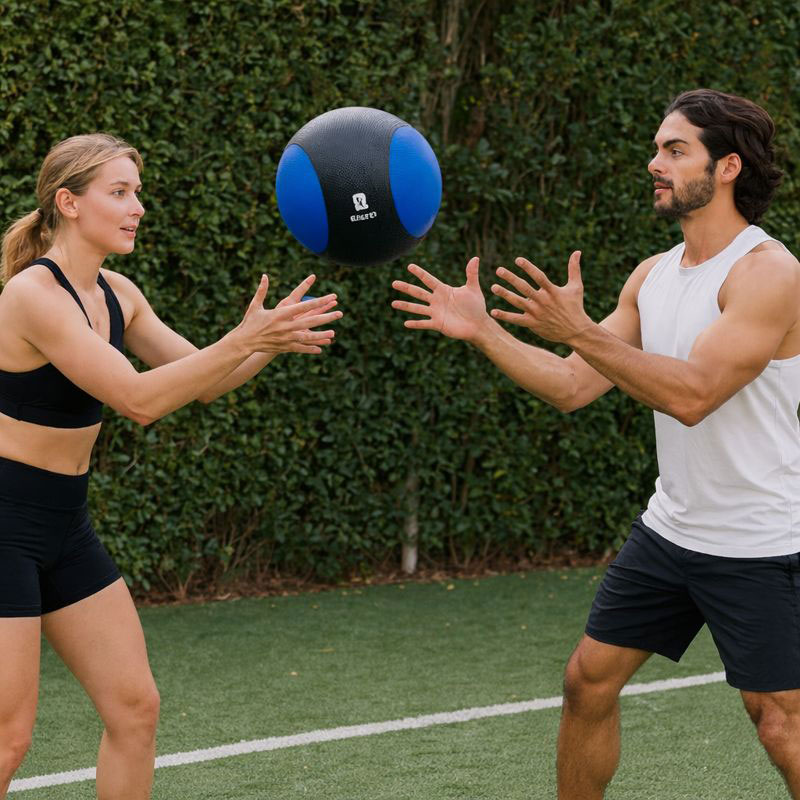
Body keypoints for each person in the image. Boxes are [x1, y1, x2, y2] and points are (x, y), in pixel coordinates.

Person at [392, 88, 800, 798]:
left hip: (764, 544)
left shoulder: (770, 274)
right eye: (656, 148)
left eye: (675, 151)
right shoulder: (653, 274)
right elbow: (573, 385)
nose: (655, 163)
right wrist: (485, 330)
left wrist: (578, 329)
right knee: (587, 682)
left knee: (778, 723)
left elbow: (693, 395)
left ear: (728, 166)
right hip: (672, 533)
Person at [0, 133, 342, 800]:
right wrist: (244, 338)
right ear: (68, 203)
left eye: (138, 192)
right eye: (120, 193)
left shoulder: (118, 293)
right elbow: (138, 399)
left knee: (135, 709)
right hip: (3, 521)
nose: (139, 208)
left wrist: (266, 340)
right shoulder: (32, 295)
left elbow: (203, 379)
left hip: (64, 523)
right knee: (9, 737)